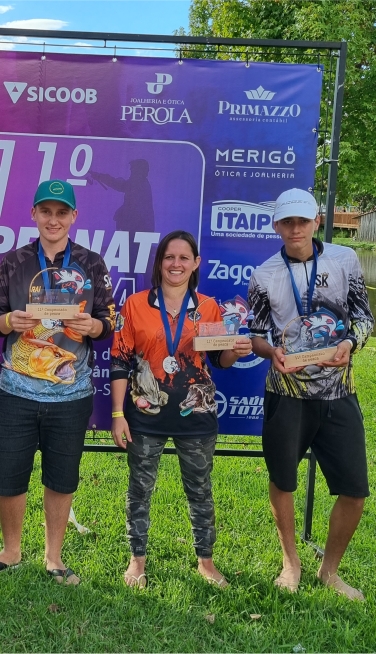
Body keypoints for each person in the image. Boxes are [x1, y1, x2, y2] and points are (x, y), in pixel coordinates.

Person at [0, 179, 116, 585]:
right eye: (46, 211)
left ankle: (54, 557)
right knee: (8, 472)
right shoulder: (14, 261)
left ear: (73, 217)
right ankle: (12, 549)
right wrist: (8, 321)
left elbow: (110, 321)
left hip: (71, 393)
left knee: (61, 475)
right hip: (16, 390)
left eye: (61, 212)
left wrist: (93, 324)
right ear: (34, 214)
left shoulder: (91, 263)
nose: (53, 220)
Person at [247, 188, 374, 600]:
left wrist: (350, 345)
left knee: (354, 490)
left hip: (339, 392)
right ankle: (291, 562)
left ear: (317, 221)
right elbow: (257, 333)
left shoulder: (345, 259)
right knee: (281, 481)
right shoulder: (264, 273)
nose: (295, 228)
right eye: (287, 222)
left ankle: (329, 571)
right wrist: (272, 351)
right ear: (276, 226)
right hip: (286, 393)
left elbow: (363, 318)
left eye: (303, 220)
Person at [110, 230, 252, 588]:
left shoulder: (208, 307)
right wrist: (117, 414)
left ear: (196, 264)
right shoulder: (135, 305)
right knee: (139, 491)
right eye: (169, 257)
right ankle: (136, 562)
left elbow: (219, 359)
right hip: (146, 413)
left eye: (184, 258)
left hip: (197, 413)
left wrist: (237, 349)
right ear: (160, 263)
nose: (176, 264)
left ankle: (206, 562)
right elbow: (119, 362)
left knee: (200, 490)